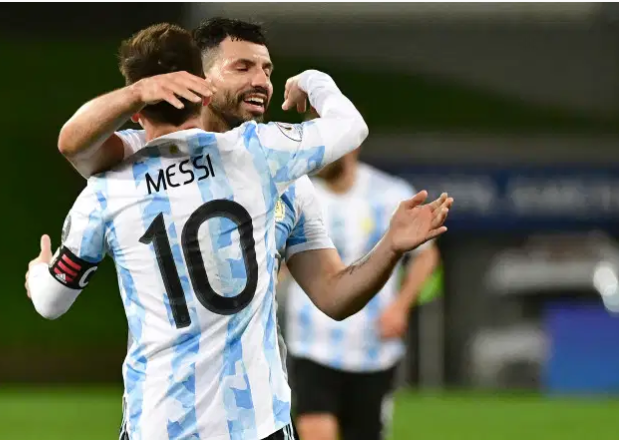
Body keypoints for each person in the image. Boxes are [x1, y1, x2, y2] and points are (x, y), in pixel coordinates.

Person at [26, 22, 371, 440]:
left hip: (158, 422)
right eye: (244, 67)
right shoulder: (256, 155)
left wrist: (39, 272)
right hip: (254, 424)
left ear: (136, 112)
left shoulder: (109, 186)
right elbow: (349, 127)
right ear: (203, 88)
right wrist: (314, 82)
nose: (261, 80)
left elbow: (50, 301)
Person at [285, 110, 443, 440]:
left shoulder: (389, 194)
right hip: (313, 346)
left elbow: (427, 258)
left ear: (351, 144)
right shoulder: (299, 194)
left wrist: (400, 306)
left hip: (373, 350)